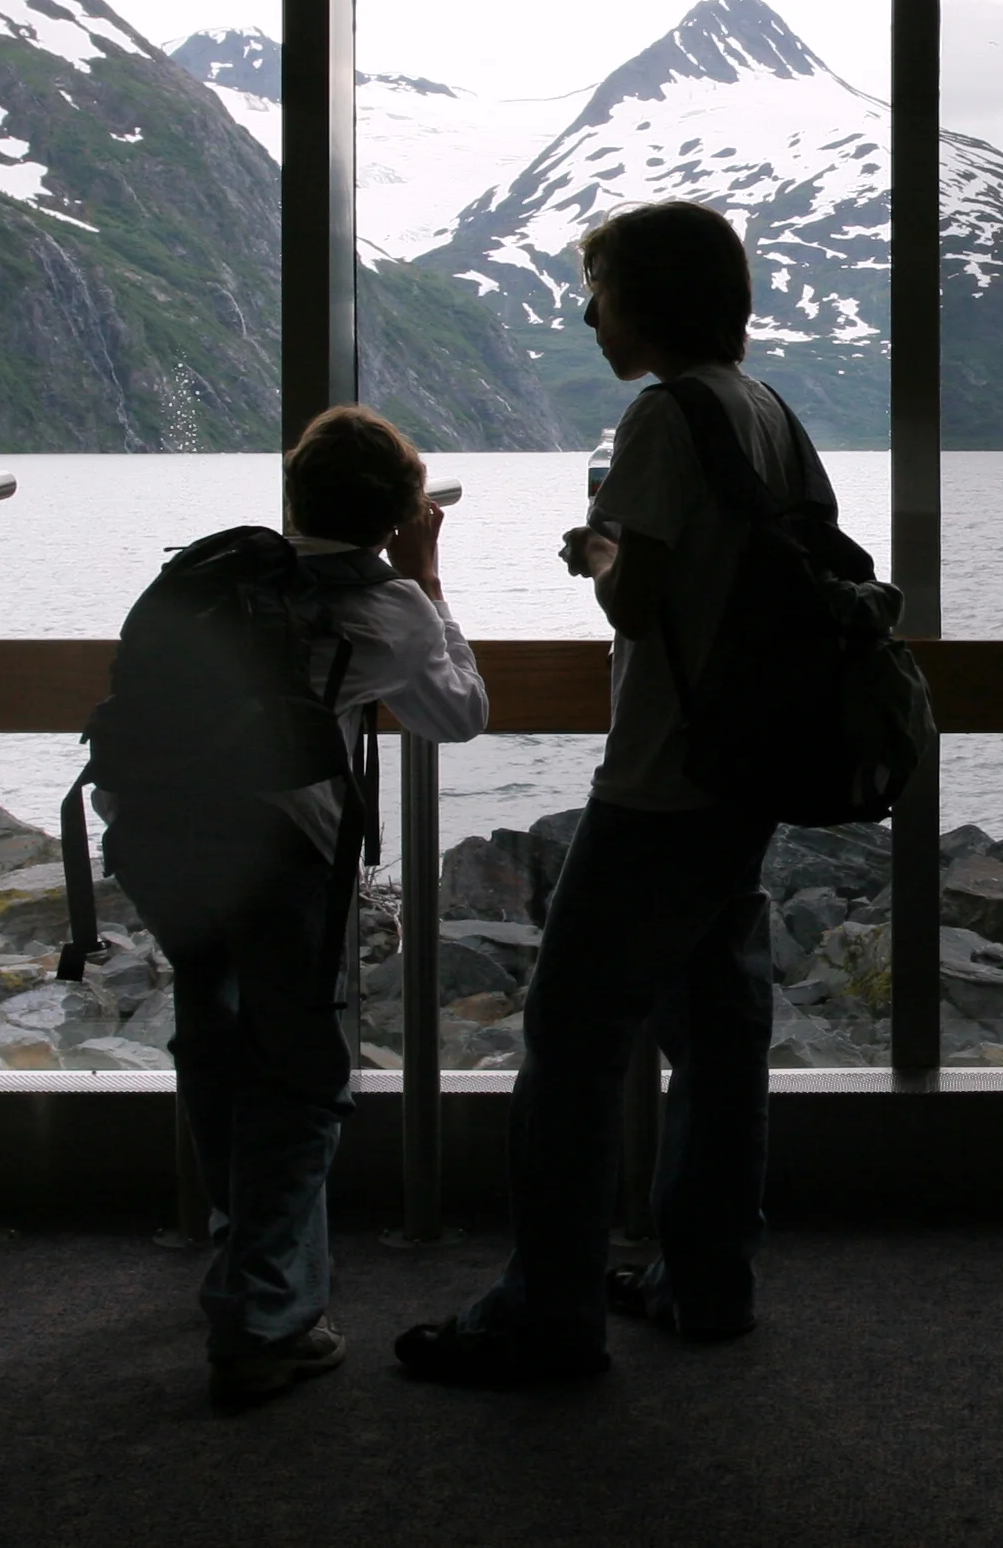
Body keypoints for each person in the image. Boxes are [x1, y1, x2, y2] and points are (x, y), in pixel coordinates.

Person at [397, 199, 817, 1387]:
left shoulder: (662, 416)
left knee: (570, 1043)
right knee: (719, 1034)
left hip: (661, 779)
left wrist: (596, 550)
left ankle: (546, 1313)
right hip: (746, 771)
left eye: (601, 291)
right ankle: (707, 1279)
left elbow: (638, 603)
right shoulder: (768, 408)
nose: (588, 314)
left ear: (647, 301)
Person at [105, 405, 487, 1408]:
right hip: (280, 852)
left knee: (215, 1036)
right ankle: (263, 1317)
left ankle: (248, 1260)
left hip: (154, 835)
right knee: (304, 1077)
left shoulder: (216, 572)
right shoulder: (388, 603)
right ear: (402, 511)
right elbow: (460, 713)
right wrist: (430, 577)